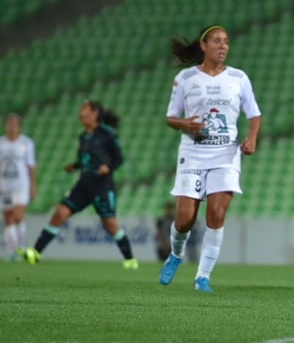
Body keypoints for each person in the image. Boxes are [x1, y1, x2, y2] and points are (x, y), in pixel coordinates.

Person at [158, 25, 261, 292]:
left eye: (226, 41)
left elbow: (254, 114)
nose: (223, 46)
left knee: (216, 214)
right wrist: (184, 124)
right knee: (184, 219)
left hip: (226, 154)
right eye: (216, 41)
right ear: (203, 46)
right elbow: (170, 117)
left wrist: (251, 138)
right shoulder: (186, 78)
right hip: (192, 154)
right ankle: (176, 254)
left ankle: (202, 277)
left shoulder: (238, 77)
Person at [18, 101, 138, 268]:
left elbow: (119, 158)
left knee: (110, 224)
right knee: (59, 213)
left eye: (84, 109)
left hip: (102, 186)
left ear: (95, 113)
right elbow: (85, 160)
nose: (81, 113)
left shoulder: (107, 134)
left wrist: (108, 167)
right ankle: (35, 252)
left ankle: (130, 259)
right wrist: (74, 166)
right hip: (83, 184)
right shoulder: (83, 136)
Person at [0, 113, 36, 261]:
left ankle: (20, 247)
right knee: (8, 219)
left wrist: (33, 187)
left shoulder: (27, 143)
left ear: (19, 126)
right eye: (10, 123)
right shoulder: (1, 143)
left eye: (15, 124)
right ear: (6, 125)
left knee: (18, 216)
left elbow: (31, 166)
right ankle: (11, 251)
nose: (12, 126)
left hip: (21, 185)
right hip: (3, 186)